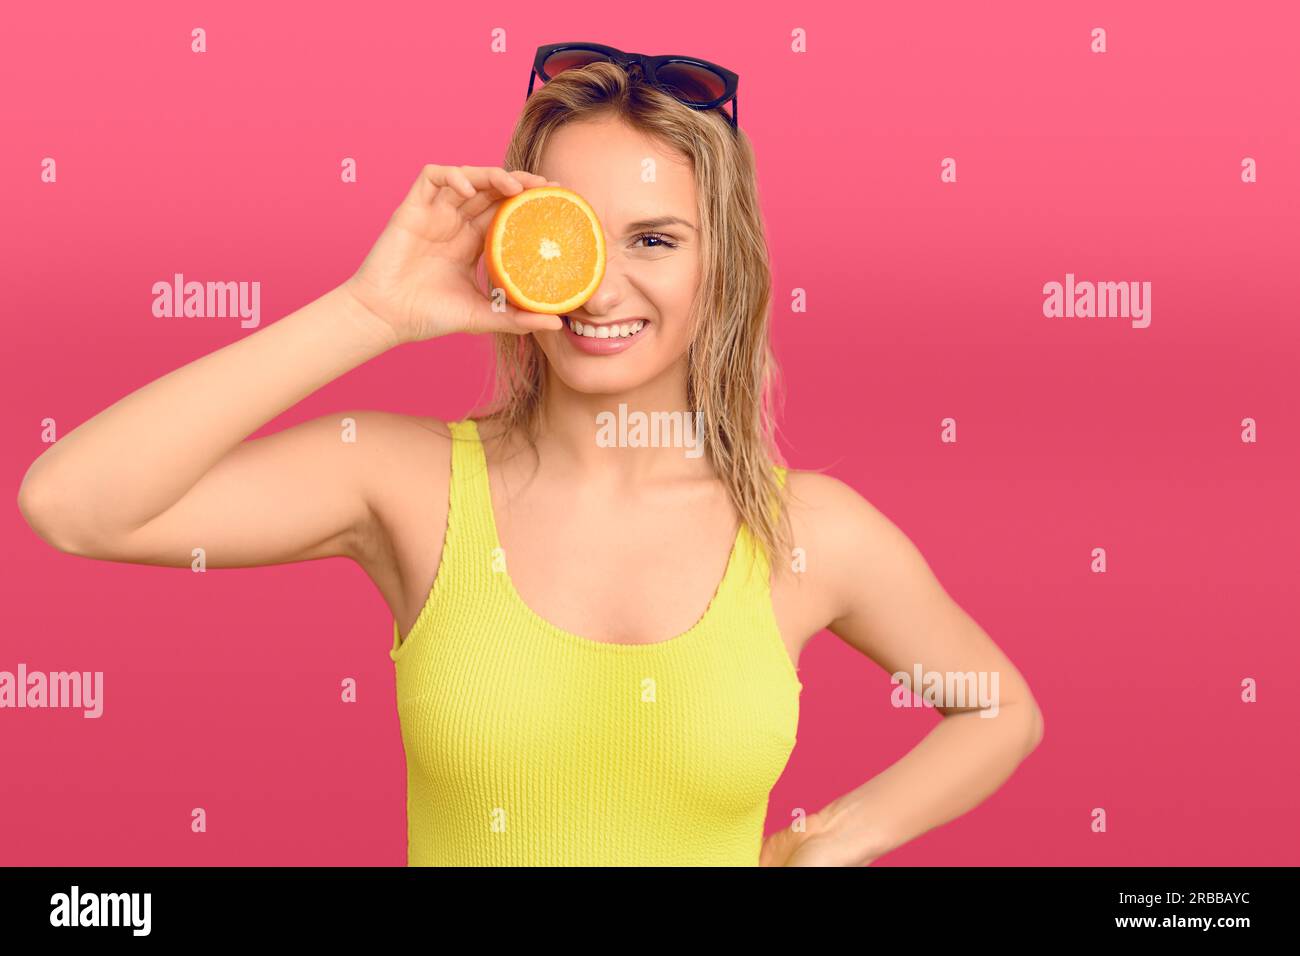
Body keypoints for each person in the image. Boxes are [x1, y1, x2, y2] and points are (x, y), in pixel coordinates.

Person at [17, 49, 1043, 867]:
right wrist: (367, 311)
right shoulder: (401, 479)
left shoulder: (806, 528)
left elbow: (997, 706)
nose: (600, 288)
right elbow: (75, 504)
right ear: (512, 238)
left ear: (720, 263)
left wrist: (836, 840)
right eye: (571, 233)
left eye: (653, 240)